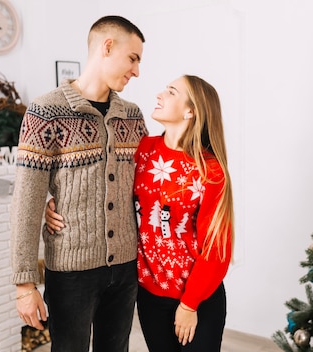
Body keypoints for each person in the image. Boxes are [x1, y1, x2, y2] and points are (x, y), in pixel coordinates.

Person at [47, 75, 235, 351]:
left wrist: (189, 303)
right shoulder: (143, 150)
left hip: (197, 299)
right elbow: (105, 190)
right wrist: (55, 205)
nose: (160, 94)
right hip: (149, 294)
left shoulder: (211, 171)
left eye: (171, 92)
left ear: (190, 110)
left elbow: (217, 249)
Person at [10, 15, 147, 352]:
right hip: (72, 272)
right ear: (107, 46)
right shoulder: (46, 111)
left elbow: (146, 188)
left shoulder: (133, 116)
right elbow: (26, 201)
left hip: (126, 268)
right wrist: (24, 284)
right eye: (133, 58)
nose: (137, 71)